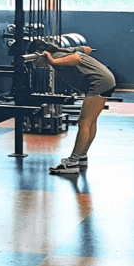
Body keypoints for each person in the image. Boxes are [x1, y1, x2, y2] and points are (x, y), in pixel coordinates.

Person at [31, 40, 117, 174]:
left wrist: (52, 61)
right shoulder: (63, 51)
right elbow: (87, 49)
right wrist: (79, 49)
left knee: (84, 122)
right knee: (91, 121)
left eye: (34, 59)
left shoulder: (57, 57)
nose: (33, 63)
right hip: (105, 81)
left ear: (42, 54)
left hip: (99, 82)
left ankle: (73, 162)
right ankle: (81, 155)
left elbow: (76, 59)